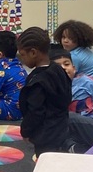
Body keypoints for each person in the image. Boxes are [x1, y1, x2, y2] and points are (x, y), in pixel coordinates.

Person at [16, 27, 71, 156]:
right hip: (62, 127)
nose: (22, 59)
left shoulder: (38, 82)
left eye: (23, 55)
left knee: (44, 162)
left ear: (33, 53)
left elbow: (35, 111)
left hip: (45, 134)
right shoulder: (58, 69)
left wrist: (26, 131)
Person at [52, 20, 93, 87]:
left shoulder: (75, 56)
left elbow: (67, 77)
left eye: (70, 38)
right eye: (63, 37)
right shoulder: (82, 50)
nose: (65, 41)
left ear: (80, 39)